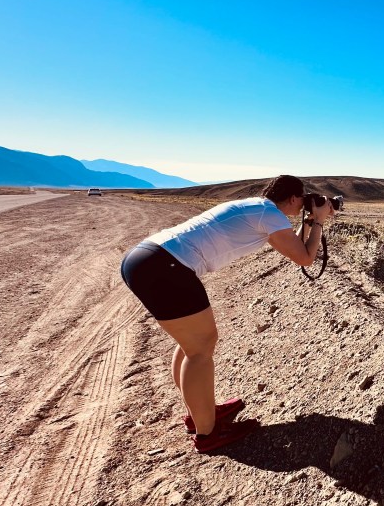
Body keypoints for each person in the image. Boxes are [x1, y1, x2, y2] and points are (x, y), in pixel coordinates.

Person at [120, 175, 334, 452]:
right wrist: (317, 221)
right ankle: (208, 434)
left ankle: (201, 413)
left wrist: (307, 221)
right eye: (302, 200)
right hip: (166, 266)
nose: (302, 205)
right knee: (201, 347)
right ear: (293, 198)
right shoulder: (270, 214)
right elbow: (304, 258)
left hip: (146, 257)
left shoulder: (256, 207)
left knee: (191, 345)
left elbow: (294, 247)